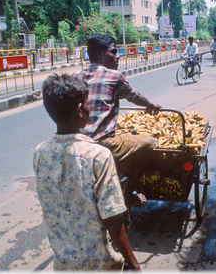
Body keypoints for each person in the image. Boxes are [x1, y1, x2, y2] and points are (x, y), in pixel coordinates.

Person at [33, 73, 141, 271]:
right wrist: (133, 263)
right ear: (79, 110)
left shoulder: (40, 153)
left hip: (64, 264)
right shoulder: (98, 156)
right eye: (87, 103)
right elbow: (113, 220)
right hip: (99, 264)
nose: (89, 108)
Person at [73, 34, 161, 208]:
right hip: (103, 144)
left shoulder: (75, 76)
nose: (118, 55)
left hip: (78, 144)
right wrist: (151, 106)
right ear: (99, 54)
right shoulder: (114, 77)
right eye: (114, 52)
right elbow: (135, 97)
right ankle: (127, 195)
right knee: (151, 142)